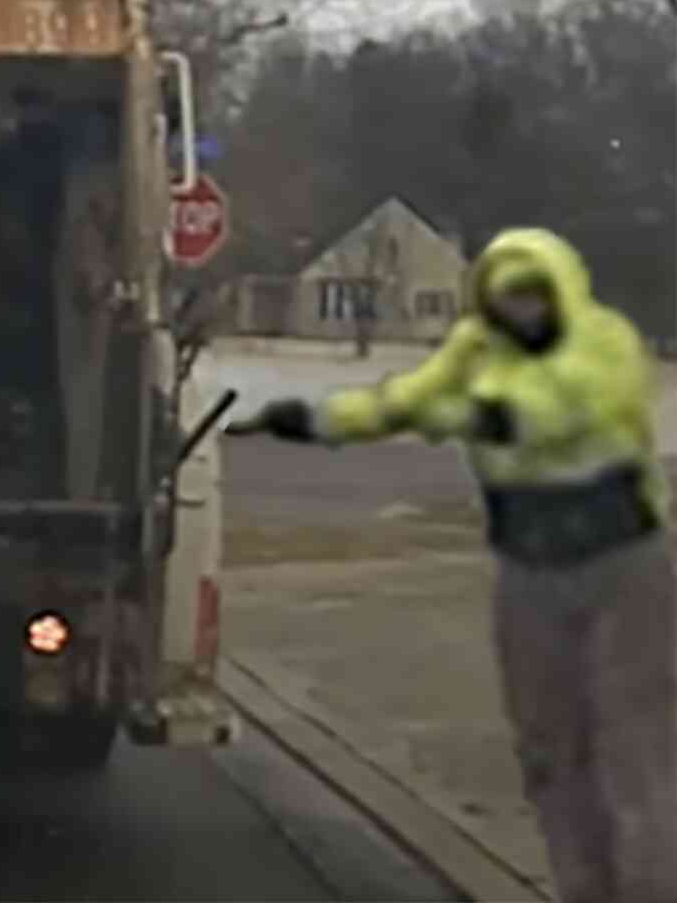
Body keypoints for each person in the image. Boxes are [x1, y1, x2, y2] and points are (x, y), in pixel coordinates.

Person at [232, 228, 674, 903]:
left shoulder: (604, 339)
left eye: (533, 295)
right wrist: (316, 421)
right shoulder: (475, 351)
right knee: (549, 752)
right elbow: (401, 401)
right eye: (507, 297)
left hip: (621, 562)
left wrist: (489, 414)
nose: (522, 310)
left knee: (631, 745)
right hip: (528, 568)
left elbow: (586, 404)